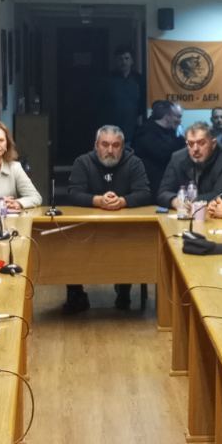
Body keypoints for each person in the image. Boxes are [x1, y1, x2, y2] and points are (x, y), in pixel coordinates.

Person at [62, 125, 152, 313]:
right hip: (85, 228)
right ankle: (76, 294)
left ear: (122, 147)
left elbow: (145, 193)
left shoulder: (134, 163)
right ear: (96, 145)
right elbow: (73, 194)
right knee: (69, 244)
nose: (110, 150)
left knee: (130, 245)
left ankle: (124, 289)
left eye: (116, 145)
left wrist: (123, 201)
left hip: (124, 229)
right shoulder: (83, 162)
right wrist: (97, 201)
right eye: (105, 144)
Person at [156, 121, 222, 210]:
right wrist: (174, 201)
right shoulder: (177, 158)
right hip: (185, 214)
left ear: (213, 144)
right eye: (190, 144)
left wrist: (188, 201)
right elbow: (163, 193)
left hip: (216, 214)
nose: (195, 149)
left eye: (201, 143)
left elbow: (221, 195)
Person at [131, 100, 185, 179]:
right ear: (167, 117)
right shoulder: (146, 133)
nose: (179, 121)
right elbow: (166, 155)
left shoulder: (170, 131)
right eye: (177, 116)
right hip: (150, 181)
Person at [98, 47, 145, 134]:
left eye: (127, 58)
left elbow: (142, 102)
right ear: (115, 61)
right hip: (112, 127)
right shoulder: (107, 79)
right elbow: (101, 103)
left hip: (133, 127)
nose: (124, 62)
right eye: (120, 59)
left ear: (132, 61)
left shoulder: (139, 79)